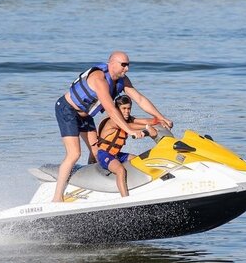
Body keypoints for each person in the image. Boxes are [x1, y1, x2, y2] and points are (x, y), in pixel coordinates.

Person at [53, 51, 172, 202]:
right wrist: (129, 130)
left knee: (96, 152)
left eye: (128, 65)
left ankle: (90, 188)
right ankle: (57, 198)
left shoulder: (123, 80)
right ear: (112, 64)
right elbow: (110, 108)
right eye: (123, 65)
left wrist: (161, 117)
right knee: (74, 154)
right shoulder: (99, 79)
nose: (126, 69)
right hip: (67, 110)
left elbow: (140, 99)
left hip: (85, 115)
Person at [95, 95, 158, 197]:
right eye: (124, 108)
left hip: (117, 155)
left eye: (129, 108)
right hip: (104, 154)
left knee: (139, 161)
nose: (127, 111)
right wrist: (147, 128)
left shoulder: (128, 119)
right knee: (120, 170)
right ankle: (125, 199)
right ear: (117, 110)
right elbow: (130, 127)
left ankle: (146, 188)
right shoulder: (113, 120)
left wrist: (160, 121)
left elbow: (145, 121)